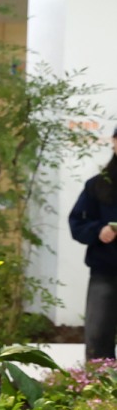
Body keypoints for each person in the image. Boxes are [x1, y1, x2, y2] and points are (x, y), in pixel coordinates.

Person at [68, 126, 117, 361]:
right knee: (98, 339)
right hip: (105, 272)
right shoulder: (97, 185)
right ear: (113, 142)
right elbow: (76, 223)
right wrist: (99, 231)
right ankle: (99, 393)